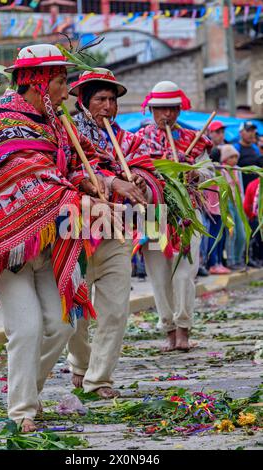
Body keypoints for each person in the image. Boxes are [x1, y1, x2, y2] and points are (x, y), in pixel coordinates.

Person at [0, 44, 109, 432]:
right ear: (37, 82)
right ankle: (22, 411)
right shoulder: (0, 123)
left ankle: (30, 391)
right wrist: (78, 199)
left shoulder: (57, 124)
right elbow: (31, 182)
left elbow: (74, 167)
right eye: (61, 82)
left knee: (61, 325)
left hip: (49, 242)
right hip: (6, 244)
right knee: (25, 329)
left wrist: (106, 183)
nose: (67, 92)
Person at [67, 68, 164, 398]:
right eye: (100, 100)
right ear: (83, 103)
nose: (108, 107)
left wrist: (139, 180)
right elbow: (70, 171)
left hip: (118, 232)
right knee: (75, 313)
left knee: (115, 310)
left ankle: (100, 379)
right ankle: (80, 364)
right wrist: (109, 180)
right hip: (76, 233)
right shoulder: (68, 136)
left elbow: (150, 176)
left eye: (112, 100)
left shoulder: (130, 140)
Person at [137, 80, 214, 351]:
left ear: (179, 110)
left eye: (171, 108)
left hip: (187, 213)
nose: (166, 115)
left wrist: (196, 173)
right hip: (153, 215)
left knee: (183, 275)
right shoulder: (139, 139)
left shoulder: (196, 138)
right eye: (160, 109)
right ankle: (168, 330)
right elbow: (133, 172)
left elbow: (209, 173)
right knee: (158, 276)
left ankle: (184, 329)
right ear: (151, 110)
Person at [220, 145, 246, 271]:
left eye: (236, 156)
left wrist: (243, 202)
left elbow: (240, 187)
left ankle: (238, 258)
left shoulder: (237, 169)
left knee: (242, 233)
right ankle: (230, 261)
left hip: (238, 203)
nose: (234, 159)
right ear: (225, 158)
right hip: (228, 204)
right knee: (232, 233)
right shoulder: (222, 170)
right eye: (231, 156)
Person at [234, 122, 263, 191]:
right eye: (248, 131)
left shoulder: (255, 148)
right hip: (241, 189)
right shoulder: (235, 148)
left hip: (254, 189)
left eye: (253, 131)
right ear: (240, 133)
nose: (251, 134)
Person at [244, 177, 263, 267]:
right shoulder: (254, 184)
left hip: (254, 217)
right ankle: (253, 258)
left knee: (255, 239)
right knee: (255, 239)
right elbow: (247, 204)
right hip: (255, 217)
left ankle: (256, 258)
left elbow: (246, 205)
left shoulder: (252, 183)